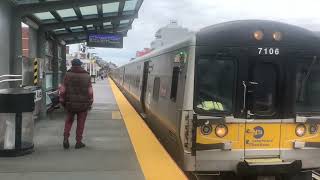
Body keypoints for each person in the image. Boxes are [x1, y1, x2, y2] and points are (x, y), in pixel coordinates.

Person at [59, 59, 93, 149]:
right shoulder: (87, 76)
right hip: (83, 105)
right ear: (81, 65)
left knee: (69, 121)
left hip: (70, 103)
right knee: (80, 123)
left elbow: (63, 89)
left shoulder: (67, 74)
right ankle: (78, 142)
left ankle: (66, 138)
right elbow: (90, 91)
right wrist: (90, 102)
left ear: (72, 64)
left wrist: (62, 100)